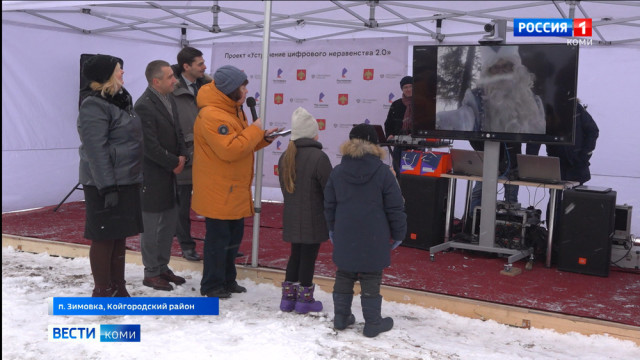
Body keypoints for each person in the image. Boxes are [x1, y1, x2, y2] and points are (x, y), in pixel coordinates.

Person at [192, 65, 281, 299]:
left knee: (232, 239)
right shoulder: (212, 114)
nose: (246, 91)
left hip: (232, 188)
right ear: (231, 90)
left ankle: (227, 280)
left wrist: (262, 138)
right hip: (218, 190)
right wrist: (254, 131)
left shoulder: (233, 109)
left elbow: (241, 143)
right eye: (242, 87)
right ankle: (211, 285)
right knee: (218, 240)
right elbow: (231, 150)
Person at [324, 124, 407, 338]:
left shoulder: (338, 171)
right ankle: (373, 324)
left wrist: (332, 229)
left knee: (344, 272)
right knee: (371, 276)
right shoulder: (382, 172)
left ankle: (341, 318)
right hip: (374, 235)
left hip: (345, 232)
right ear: (374, 145)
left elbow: (329, 205)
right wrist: (399, 234)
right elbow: (395, 207)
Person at [77, 54, 143, 297]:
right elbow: (96, 150)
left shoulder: (121, 100)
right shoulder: (93, 105)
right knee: (104, 236)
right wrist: (107, 187)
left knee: (118, 235)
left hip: (124, 179)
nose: (123, 73)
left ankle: (118, 286)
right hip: (104, 183)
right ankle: (102, 291)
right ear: (107, 75)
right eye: (119, 69)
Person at [134, 60, 188, 291]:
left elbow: (178, 133)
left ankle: (162, 267)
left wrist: (183, 157)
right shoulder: (144, 106)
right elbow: (149, 146)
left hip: (169, 175)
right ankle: (151, 272)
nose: (175, 81)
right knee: (153, 226)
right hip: (153, 176)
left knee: (168, 223)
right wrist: (174, 162)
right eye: (170, 77)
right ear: (156, 81)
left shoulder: (169, 101)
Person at [278, 107, 333, 314]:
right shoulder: (319, 157)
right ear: (312, 133)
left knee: (296, 255)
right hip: (314, 216)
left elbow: (286, 190)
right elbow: (329, 189)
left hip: (292, 215)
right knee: (308, 257)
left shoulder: (285, 157)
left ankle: (287, 299)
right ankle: (304, 301)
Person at [436, 45, 545, 134]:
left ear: (516, 68)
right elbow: (464, 118)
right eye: (495, 68)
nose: (501, 72)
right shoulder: (476, 98)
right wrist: (439, 121)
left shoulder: (533, 101)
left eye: (506, 66)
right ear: (488, 73)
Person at [170, 46, 211, 262]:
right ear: (186, 67)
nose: (205, 67)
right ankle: (186, 245)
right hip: (186, 155)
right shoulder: (171, 90)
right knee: (182, 205)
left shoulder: (209, 86)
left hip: (210, 156)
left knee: (215, 204)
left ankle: (217, 245)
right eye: (200, 64)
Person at [384, 75, 413, 175]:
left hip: (416, 146)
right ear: (402, 89)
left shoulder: (421, 104)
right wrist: (389, 134)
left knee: (412, 173)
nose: (408, 89)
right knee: (397, 172)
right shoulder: (396, 104)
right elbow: (388, 123)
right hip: (399, 144)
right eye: (405, 87)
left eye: (411, 86)